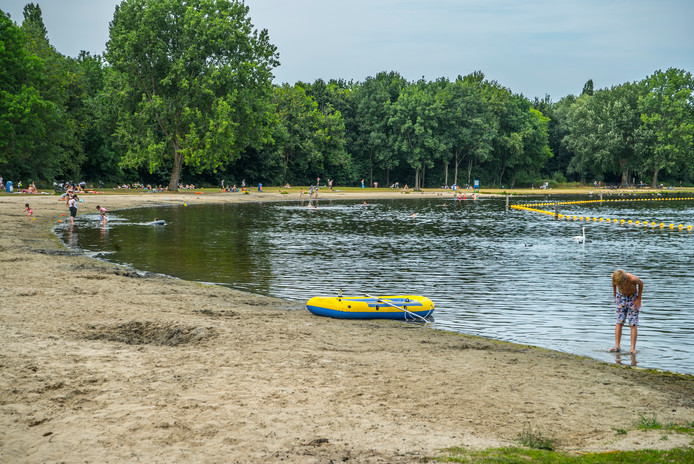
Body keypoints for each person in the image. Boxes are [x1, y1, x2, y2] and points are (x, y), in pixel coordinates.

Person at [611, 269, 644, 354]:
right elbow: (614, 282)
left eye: (620, 284)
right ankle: (617, 346)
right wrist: (615, 294)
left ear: (625, 279)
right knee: (619, 322)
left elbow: (641, 284)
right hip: (621, 297)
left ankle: (632, 348)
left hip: (633, 298)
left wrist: (639, 298)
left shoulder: (633, 279)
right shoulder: (614, 277)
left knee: (633, 324)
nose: (619, 285)